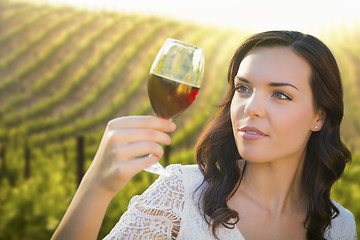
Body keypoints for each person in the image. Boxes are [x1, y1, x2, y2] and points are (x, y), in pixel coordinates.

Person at [52, 31, 357, 240]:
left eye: (280, 94)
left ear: (319, 116)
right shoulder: (180, 195)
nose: (251, 108)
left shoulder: (339, 227)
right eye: (243, 88)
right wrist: (97, 188)